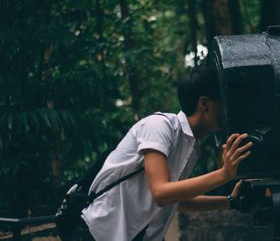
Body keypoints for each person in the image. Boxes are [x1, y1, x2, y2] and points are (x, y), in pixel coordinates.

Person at [79, 66, 253, 241]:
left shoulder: (190, 146)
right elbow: (162, 193)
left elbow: (177, 200)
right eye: (224, 102)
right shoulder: (159, 126)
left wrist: (230, 201)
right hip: (100, 234)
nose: (228, 110)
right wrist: (223, 174)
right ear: (205, 104)